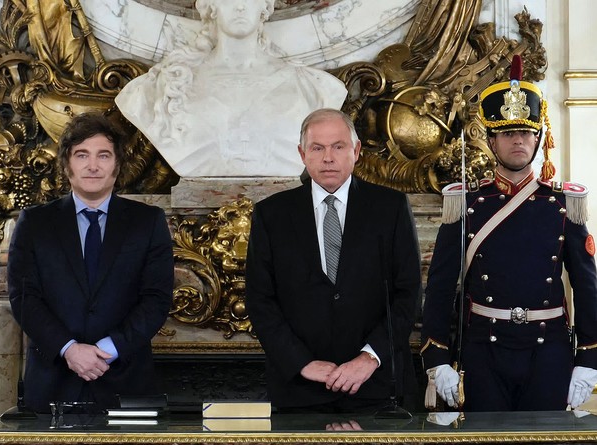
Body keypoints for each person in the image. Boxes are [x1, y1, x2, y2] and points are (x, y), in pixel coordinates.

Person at [421, 56, 597, 412]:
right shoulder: (464, 203)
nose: (518, 141)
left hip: (548, 352)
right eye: (507, 133)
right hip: (482, 351)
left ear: (538, 139)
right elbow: (441, 286)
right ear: (491, 139)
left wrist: (589, 358)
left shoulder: (564, 203)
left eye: (525, 133)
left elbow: (587, 286)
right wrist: (436, 357)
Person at [245, 108, 421, 412]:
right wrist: (302, 363)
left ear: (356, 151)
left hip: (377, 386)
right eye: (317, 148)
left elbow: (409, 294)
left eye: (338, 146)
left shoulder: (389, 208)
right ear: (302, 154)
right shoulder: (271, 214)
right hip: (299, 389)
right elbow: (260, 300)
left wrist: (369, 358)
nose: (328, 157)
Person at [7, 112, 174, 413]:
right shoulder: (35, 223)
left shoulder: (148, 222)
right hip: (52, 383)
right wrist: (70, 350)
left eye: (103, 155)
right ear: (67, 164)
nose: (93, 166)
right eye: (82, 155)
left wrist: (105, 350)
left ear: (117, 165)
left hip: (126, 381)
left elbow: (156, 300)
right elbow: (24, 299)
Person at [115, 0, 347, 177]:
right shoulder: (162, 87)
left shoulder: (315, 87)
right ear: (212, 5)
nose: (239, 6)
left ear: (265, 6)